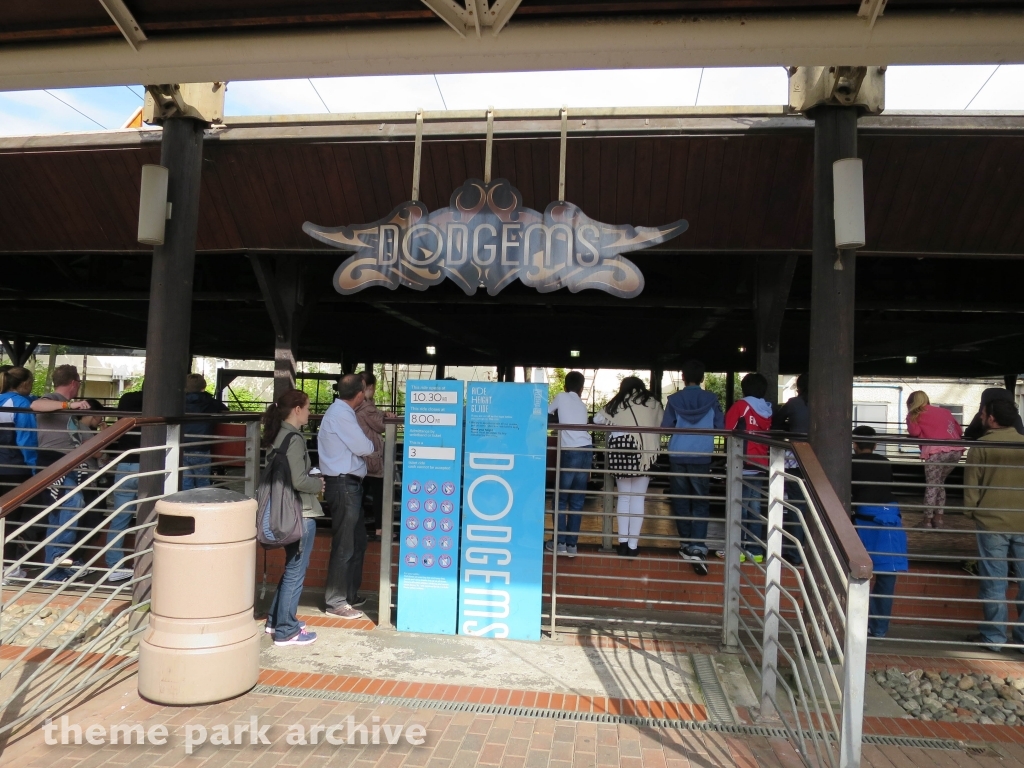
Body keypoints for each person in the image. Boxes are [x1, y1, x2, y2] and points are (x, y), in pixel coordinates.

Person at [262, 389, 323, 646]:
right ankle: (287, 630)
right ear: (297, 409)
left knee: (292, 569)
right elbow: (298, 480)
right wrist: (318, 484)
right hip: (301, 513)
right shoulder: (295, 439)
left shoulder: (277, 435)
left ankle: (275, 620)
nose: (310, 413)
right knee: (296, 571)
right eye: (308, 408)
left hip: (282, 510)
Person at [963, 399, 1024, 652]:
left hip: (991, 522)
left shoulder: (982, 446)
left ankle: (994, 637)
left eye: (983, 413)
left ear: (990, 419)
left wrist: (972, 512)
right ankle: (1021, 637)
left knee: (994, 581)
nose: (980, 416)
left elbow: (971, 485)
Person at [319, 373, 376, 619]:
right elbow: (365, 447)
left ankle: (348, 595)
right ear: (360, 393)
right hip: (344, 484)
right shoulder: (341, 414)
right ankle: (336, 601)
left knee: (357, 542)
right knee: (345, 545)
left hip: (348, 484)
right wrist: (372, 445)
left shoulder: (340, 412)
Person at [661, 360, 723, 575]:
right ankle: (698, 545)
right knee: (700, 501)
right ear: (703, 377)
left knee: (680, 499)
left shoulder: (674, 400)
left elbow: (665, 427)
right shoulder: (711, 400)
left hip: (678, 454)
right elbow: (720, 426)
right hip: (701, 455)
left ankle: (686, 543)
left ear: (683, 377)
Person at [30, 365, 92, 581]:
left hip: (67, 462)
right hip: (55, 461)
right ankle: (55, 565)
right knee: (72, 505)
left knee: (65, 510)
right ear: (74, 383)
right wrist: (69, 404)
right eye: (79, 384)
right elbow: (36, 404)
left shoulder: (60, 403)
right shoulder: (53, 398)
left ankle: (56, 565)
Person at [594, 376, 664, 557]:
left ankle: (622, 543)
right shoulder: (652, 403)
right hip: (646, 453)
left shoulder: (618, 403)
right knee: (638, 499)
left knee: (624, 498)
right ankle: (633, 546)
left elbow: (597, 419)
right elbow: (662, 421)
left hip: (622, 454)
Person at [851, 425, 908, 639]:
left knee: (857, 573)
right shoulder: (885, 462)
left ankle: (856, 625)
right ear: (875, 445)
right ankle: (879, 629)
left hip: (865, 518)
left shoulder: (851, 462)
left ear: (854, 444)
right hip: (891, 517)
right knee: (886, 578)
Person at [725, 373, 773, 562]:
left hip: (742, 463)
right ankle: (756, 551)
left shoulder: (740, 406)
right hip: (761, 463)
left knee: (740, 507)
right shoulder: (768, 410)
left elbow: (727, 429)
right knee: (755, 506)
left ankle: (739, 549)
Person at [545, 371, 593, 557]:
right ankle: (572, 545)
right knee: (577, 501)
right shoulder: (582, 404)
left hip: (571, 451)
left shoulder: (561, 397)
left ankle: (559, 542)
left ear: (565, 386)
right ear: (581, 389)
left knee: (560, 499)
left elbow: (545, 412)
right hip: (586, 450)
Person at [0, 367, 40, 580]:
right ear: (24, 384)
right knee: (12, 521)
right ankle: (9, 569)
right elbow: (27, 441)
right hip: (15, 470)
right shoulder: (21, 404)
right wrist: (33, 470)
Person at [905, 391, 964, 529]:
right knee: (939, 483)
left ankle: (927, 521)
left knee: (932, 485)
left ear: (911, 403)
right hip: (955, 450)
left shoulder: (914, 414)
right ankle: (939, 519)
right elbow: (959, 432)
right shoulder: (945, 411)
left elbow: (914, 433)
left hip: (935, 451)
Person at [105, 387, 143, 582]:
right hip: (148, 464)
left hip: (124, 463)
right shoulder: (160, 402)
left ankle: (114, 565)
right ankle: (147, 564)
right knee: (149, 517)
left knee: (119, 519)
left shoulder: (127, 399)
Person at [772, 373, 809, 566]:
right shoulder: (828, 403)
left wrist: (790, 429)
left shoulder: (794, 403)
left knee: (797, 506)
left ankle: (795, 554)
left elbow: (775, 423)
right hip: (824, 461)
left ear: (799, 387)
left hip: (797, 458)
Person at [354, 371, 386, 542]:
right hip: (371, 457)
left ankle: (356, 528)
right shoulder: (366, 407)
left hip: (358, 458)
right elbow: (380, 426)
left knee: (359, 494)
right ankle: (380, 529)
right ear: (371, 387)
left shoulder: (353, 406)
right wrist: (386, 417)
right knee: (379, 494)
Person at [182, 374, 229, 490]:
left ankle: (186, 505)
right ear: (203, 386)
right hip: (202, 447)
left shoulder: (178, 402)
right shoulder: (210, 402)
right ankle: (202, 505)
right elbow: (226, 413)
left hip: (181, 446)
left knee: (185, 481)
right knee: (203, 482)